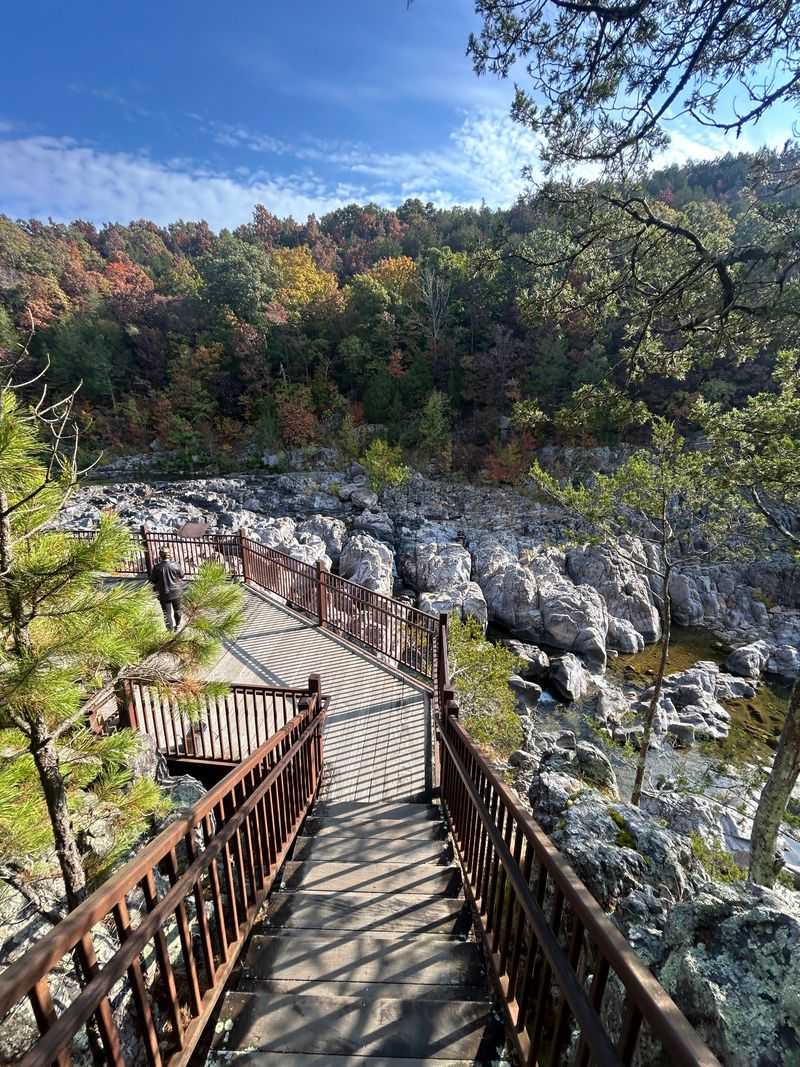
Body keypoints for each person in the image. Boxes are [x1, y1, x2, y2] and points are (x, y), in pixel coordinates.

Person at [150, 548, 185, 630]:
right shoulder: (176, 565)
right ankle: (178, 625)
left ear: (160, 556)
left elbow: (152, 580)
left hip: (163, 593)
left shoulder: (157, 567)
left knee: (167, 613)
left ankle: (170, 630)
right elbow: (182, 575)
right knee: (177, 610)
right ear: (169, 554)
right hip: (176, 592)